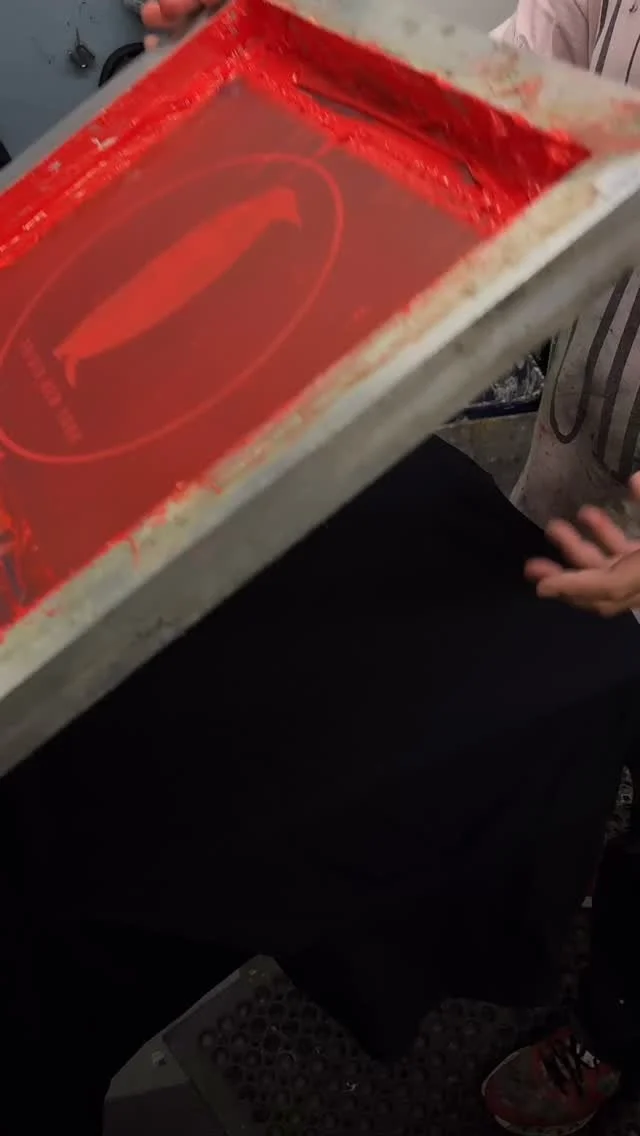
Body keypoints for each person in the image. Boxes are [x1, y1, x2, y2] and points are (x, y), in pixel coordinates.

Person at [141, 2, 640, 1133]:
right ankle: (549, 867)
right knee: (556, 689)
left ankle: (613, 1024)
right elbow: (508, 74)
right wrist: (296, 82)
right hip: (583, 444)